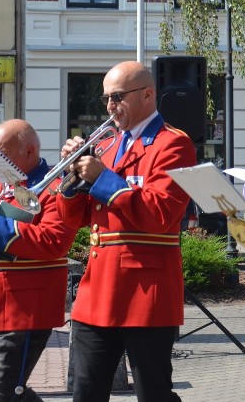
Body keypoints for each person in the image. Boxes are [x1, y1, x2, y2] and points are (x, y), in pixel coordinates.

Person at [57, 61, 195, 402]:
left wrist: (102, 178)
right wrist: (71, 180)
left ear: (147, 95)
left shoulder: (173, 145)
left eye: (117, 97)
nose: (109, 107)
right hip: (98, 290)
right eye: (106, 99)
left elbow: (159, 213)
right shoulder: (105, 146)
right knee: (85, 392)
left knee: (154, 393)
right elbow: (75, 219)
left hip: (145, 292)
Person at [0, 119, 77, 401]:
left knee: (1, 393)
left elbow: (54, 242)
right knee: (5, 391)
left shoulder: (55, 188)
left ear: (29, 151)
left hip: (23, 307)